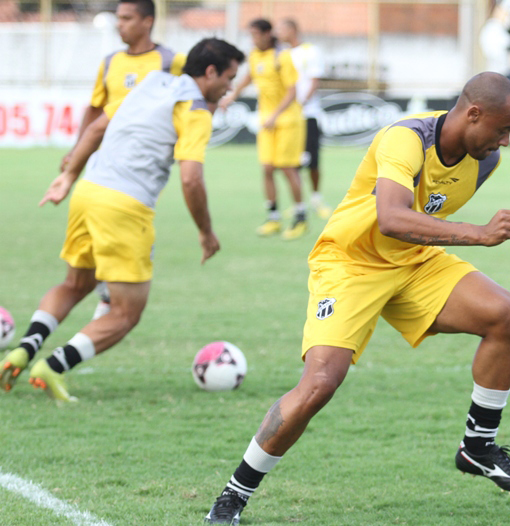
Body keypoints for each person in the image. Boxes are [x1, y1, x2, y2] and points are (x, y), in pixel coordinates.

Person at [205, 72, 510, 526]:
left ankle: (478, 447)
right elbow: (392, 218)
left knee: (505, 314)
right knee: (320, 383)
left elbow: (422, 217)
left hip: (412, 260)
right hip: (351, 263)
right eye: (502, 129)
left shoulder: (486, 160)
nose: (506, 141)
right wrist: (478, 233)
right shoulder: (406, 138)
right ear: (473, 114)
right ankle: (234, 494)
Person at [0, 38, 245, 402]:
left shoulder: (152, 82)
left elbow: (96, 129)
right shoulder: (195, 111)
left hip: (88, 192)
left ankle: (24, 349)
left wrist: (69, 176)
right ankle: (52, 366)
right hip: (124, 206)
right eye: (229, 78)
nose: (230, 88)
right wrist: (206, 232)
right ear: (210, 72)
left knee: (74, 284)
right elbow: (191, 179)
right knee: (126, 312)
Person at [62, 0, 187, 320]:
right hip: (104, 161)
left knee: (126, 231)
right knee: (98, 237)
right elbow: (95, 109)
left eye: (127, 18)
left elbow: (193, 97)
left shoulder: (171, 60)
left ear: (147, 21)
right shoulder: (110, 62)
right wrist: (76, 150)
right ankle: (105, 307)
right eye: (118, 18)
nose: (120, 24)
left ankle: (107, 305)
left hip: (141, 164)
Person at [219, 19, 308, 240]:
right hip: (267, 121)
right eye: (251, 35)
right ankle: (273, 217)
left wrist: (275, 115)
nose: (253, 39)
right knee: (267, 168)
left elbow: (292, 92)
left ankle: (300, 217)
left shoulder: (282, 56)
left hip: (288, 121)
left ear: (268, 34)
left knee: (287, 168)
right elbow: (249, 76)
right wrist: (232, 96)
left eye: (256, 35)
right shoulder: (254, 55)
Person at [277, 18, 332, 220]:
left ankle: (316, 199)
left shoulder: (310, 51)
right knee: (291, 163)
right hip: (288, 118)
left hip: (308, 114)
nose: (278, 33)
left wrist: (300, 103)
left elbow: (314, 81)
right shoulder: (280, 54)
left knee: (313, 161)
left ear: (293, 30)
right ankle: (298, 203)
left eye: (281, 29)